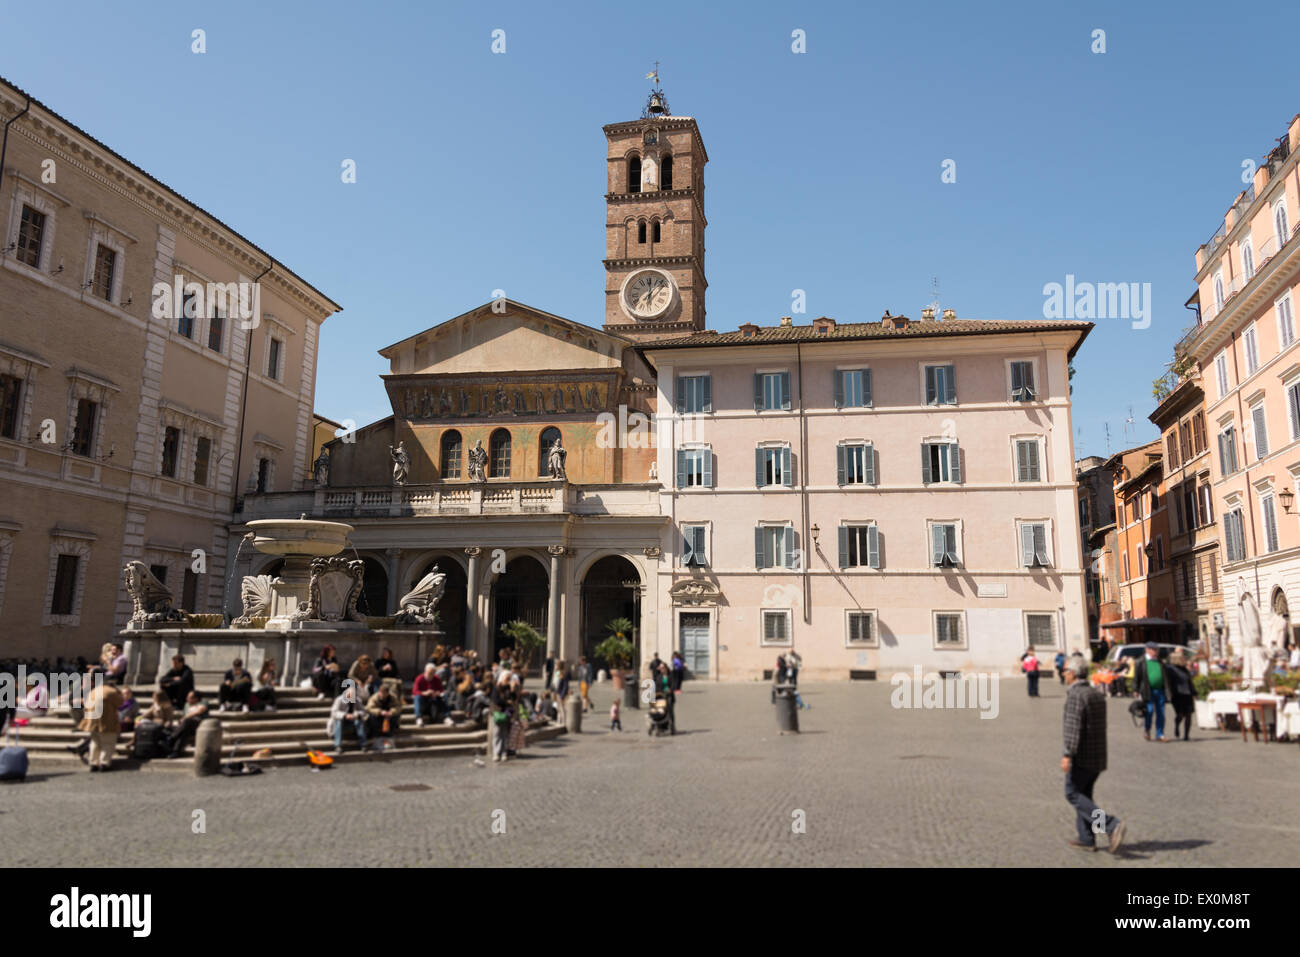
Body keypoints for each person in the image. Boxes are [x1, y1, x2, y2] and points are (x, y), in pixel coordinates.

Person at [1061, 653, 1126, 853]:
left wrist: (1067, 754)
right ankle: (1087, 838)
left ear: (1072, 673)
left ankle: (1110, 825)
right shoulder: (1095, 693)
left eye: (1065, 671)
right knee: (1084, 795)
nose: (1063, 674)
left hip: (1081, 756)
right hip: (1097, 754)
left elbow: (1073, 728)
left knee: (1072, 793)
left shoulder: (1076, 695)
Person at [79, 679, 123, 772]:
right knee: (108, 742)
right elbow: (120, 703)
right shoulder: (112, 692)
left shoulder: (94, 691)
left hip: (92, 721)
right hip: (106, 721)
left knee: (95, 742)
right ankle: (104, 763)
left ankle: (93, 763)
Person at [1133, 641, 1169, 742]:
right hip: (1147, 690)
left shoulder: (1160, 661)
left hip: (1160, 690)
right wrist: (1135, 689)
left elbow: (1165, 675)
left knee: (1161, 713)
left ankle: (1160, 734)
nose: (1156, 651)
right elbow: (1137, 677)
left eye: (1157, 649)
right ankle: (1147, 730)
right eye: (1153, 649)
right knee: (1149, 711)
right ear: (1147, 650)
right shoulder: (1140, 661)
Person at [166, 691, 210, 758]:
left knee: (187, 721)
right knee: (184, 731)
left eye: (190, 698)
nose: (187, 699)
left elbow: (200, 710)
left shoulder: (203, 702)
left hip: (199, 724)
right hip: (187, 725)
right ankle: (176, 751)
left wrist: (185, 717)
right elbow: (184, 716)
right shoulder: (186, 704)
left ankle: (172, 737)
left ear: (196, 699)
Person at [328, 683, 368, 755]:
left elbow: (364, 711)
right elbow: (334, 712)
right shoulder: (339, 699)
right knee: (338, 721)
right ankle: (338, 745)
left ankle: (363, 744)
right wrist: (345, 715)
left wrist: (357, 714)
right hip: (342, 721)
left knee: (359, 721)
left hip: (353, 721)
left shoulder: (357, 700)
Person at [1167, 649, 1195, 741]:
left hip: (1188, 694)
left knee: (1189, 714)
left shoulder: (1185, 669)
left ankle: (1186, 735)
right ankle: (1177, 724)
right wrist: (1169, 694)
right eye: (1183, 658)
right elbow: (1168, 683)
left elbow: (1189, 681)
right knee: (1180, 714)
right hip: (1178, 694)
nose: (1185, 660)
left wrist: (1194, 691)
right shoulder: (1170, 669)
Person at [490, 677, 514, 762]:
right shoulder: (496, 689)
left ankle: (504, 752)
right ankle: (496, 753)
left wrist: (512, 689)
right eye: (506, 679)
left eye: (509, 679)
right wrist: (506, 702)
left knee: (505, 734)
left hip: (507, 713)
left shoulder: (509, 689)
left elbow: (513, 699)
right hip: (498, 713)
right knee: (497, 733)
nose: (508, 681)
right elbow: (496, 701)